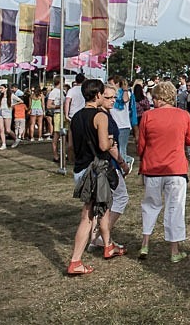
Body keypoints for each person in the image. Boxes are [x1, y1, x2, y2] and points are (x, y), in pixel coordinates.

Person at [67, 79, 129, 275]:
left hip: (80, 168)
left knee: (103, 208)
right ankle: (75, 260)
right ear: (97, 95)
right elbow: (104, 146)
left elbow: (70, 147)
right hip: (94, 171)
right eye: (103, 94)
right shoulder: (100, 116)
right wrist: (110, 139)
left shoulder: (76, 117)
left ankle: (108, 245)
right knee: (88, 216)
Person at [137, 81, 190, 263]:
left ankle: (145, 243)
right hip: (176, 169)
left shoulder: (147, 116)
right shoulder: (183, 115)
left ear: (158, 98)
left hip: (152, 167)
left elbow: (141, 145)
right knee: (175, 208)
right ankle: (174, 250)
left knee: (150, 205)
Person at [88, 84, 131, 253]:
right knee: (121, 197)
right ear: (99, 96)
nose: (113, 100)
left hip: (97, 165)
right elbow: (109, 145)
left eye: (114, 97)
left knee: (100, 203)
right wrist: (122, 162)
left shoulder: (102, 114)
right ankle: (100, 235)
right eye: (108, 97)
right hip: (108, 165)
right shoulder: (103, 116)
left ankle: (95, 237)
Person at [0, 84, 19, 150]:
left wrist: (12, 105)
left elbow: (20, 101)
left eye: (2, 88)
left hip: (7, 113)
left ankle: (16, 139)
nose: (0, 89)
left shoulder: (11, 95)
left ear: (6, 88)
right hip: (0, 112)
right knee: (1, 129)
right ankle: (3, 144)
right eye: (0, 88)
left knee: (8, 130)